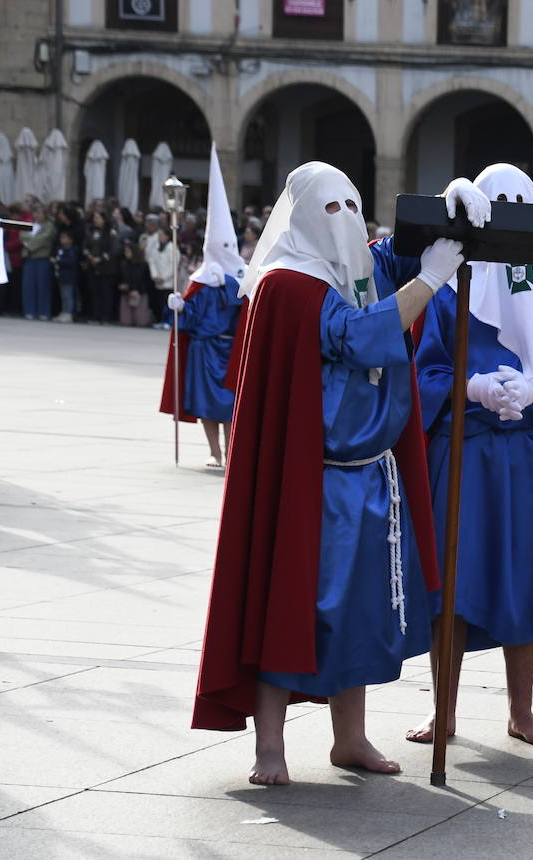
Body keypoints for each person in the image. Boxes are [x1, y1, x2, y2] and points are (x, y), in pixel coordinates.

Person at [192, 162, 457, 787]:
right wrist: (431, 281)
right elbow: (359, 336)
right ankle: (270, 749)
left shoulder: (352, 268)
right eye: (330, 206)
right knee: (292, 605)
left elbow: (391, 255)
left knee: (361, 610)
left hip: (371, 470)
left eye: (352, 203)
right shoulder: (290, 284)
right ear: (304, 212)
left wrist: (447, 205)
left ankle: (350, 738)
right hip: (310, 479)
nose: (344, 217)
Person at [408, 164, 533, 748]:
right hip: (464, 453)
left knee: (527, 582)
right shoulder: (449, 286)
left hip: (528, 459)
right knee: (453, 581)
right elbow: (424, 374)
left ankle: (521, 711)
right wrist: (472, 388)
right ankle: (442, 710)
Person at [160, 154, 249, 468]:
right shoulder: (201, 279)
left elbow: (249, 312)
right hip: (204, 349)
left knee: (230, 404)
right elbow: (187, 322)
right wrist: (180, 307)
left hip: (230, 349)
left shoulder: (243, 276)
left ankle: (230, 450)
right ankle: (215, 452)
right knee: (205, 405)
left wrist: (228, 285)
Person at [82, 210, 120, 324]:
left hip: (106, 267)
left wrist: (101, 258)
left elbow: (114, 249)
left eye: (98, 217)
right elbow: (85, 246)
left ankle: (106, 316)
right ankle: (96, 315)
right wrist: (90, 256)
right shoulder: (91, 231)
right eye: (94, 217)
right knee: (95, 292)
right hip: (93, 266)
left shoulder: (111, 232)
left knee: (106, 293)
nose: (95, 220)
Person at [142, 214, 178, 329]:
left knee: (168, 303)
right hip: (157, 280)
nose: (160, 237)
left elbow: (174, 265)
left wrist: (164, 277)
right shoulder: (157, 247)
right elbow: (152, 261)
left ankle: (169, 321)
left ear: (167, 236)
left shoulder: (172, 248)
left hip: (167, 281)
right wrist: (155, 276)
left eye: (162, 235)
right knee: (158, 302)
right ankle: (160, 320)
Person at [20, 204, 55, 321]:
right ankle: (29, 311)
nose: (37, 215)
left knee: (43, 285)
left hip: (42, 258)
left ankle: (43, 312)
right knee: (28, 285)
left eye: (39, 213)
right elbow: (22, 235)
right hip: (30, 258)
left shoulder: (49, 226)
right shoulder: (29, 224)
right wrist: (32, 242)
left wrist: (30, 244)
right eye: (35, 213)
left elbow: (45, 238)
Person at [51, 224, 81, 324]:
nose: (62, 240)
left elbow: (70, 262)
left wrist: (57, 261)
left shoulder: (72, 250)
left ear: (71, 240)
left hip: (69, 277)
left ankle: (69, 313)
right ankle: (64, 312)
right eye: (61, 237)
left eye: (65, 238)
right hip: (61, 276)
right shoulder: (60, 249)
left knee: (68, 296)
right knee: (63, 296)